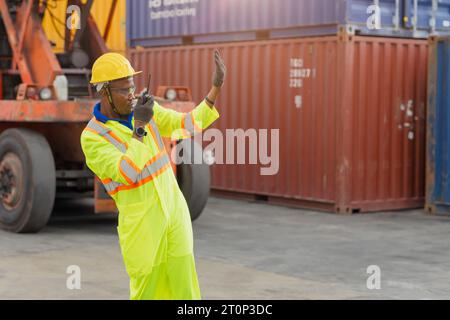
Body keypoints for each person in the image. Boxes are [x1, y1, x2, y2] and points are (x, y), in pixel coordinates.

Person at [80, 50, 226, 299]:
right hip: (143, 229)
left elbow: (188, 124)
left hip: (174, 216)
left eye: (133, 87)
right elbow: (127, 173)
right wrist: (139, 128)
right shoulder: (93, 137)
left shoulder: (148, 111)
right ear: (104, 92)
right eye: (124, 90)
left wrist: (215, 89)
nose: (132, 95)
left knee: (185, 290)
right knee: (148, 293)